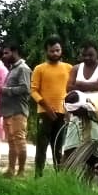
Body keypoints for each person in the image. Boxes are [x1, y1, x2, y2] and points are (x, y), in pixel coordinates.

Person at [31, 36, 72, 176]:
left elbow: (71, 91)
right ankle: (38, 175)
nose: (55, 53)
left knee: (58, 147)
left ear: (61, 50)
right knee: (41, 146)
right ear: (46, 51)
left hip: (62, 113)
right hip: (44, 112)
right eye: (51, 51)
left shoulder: (68, 68)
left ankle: (58, 177)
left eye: (57, 50)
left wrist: (69, 110)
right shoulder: (39, 68)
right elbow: (34, 91)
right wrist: (47, 107)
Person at [0, 41, 32, 178]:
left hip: (18, 111)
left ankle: (21, 171)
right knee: (11, 142)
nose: (4, 56)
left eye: (7, 53)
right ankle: (11, 170)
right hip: (8, 111)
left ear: (15, 52)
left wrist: (5, 90)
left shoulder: (23, 68)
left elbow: (25, 88)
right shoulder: (12, 69)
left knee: (19, 140)